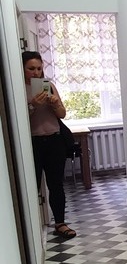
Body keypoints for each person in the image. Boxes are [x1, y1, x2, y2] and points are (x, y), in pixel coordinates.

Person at [22, 50, 76, 239]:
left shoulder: (48, 86)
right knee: (32, 185)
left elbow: (62, 114)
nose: (36, 72)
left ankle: (60, 223)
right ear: (22, 69)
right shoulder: (18, 88)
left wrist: (55, 104)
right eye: (31, 68)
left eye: (39, 68)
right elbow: (17, 120)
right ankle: (32, 228)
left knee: (56, 184)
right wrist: (32, 105)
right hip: (32, 143)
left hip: (54, 141)